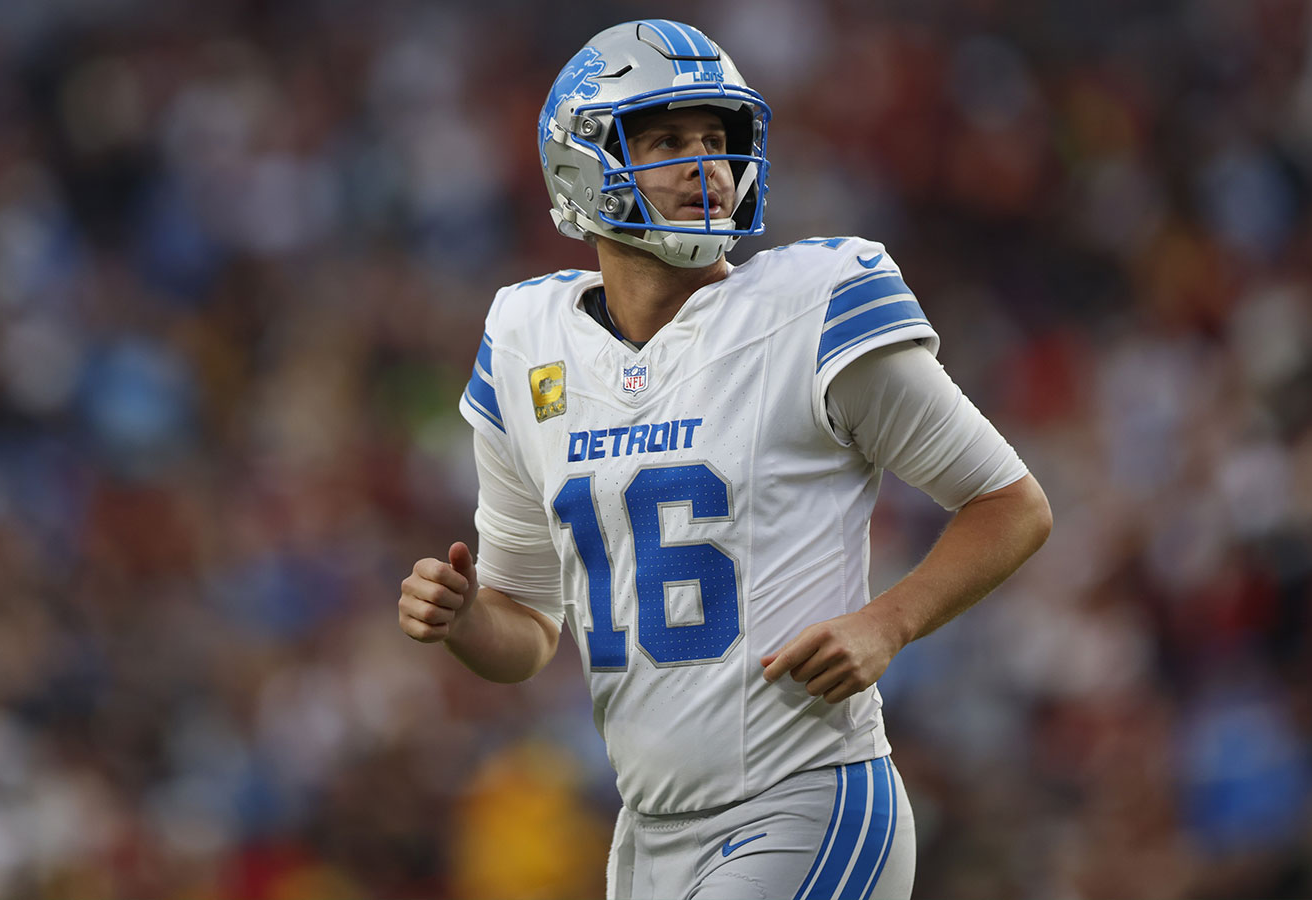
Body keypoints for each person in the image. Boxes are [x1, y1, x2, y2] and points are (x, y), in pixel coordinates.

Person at [398, 19, 1052, 900]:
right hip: (648, 836)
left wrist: (885, 623)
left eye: (717, 137)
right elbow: (527, 629)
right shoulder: (527, 341)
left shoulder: (810, 307)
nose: (704, 161)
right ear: (577, 164)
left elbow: (1010, 503)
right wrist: (468, 617)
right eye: (667, 139)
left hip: (806, 800)